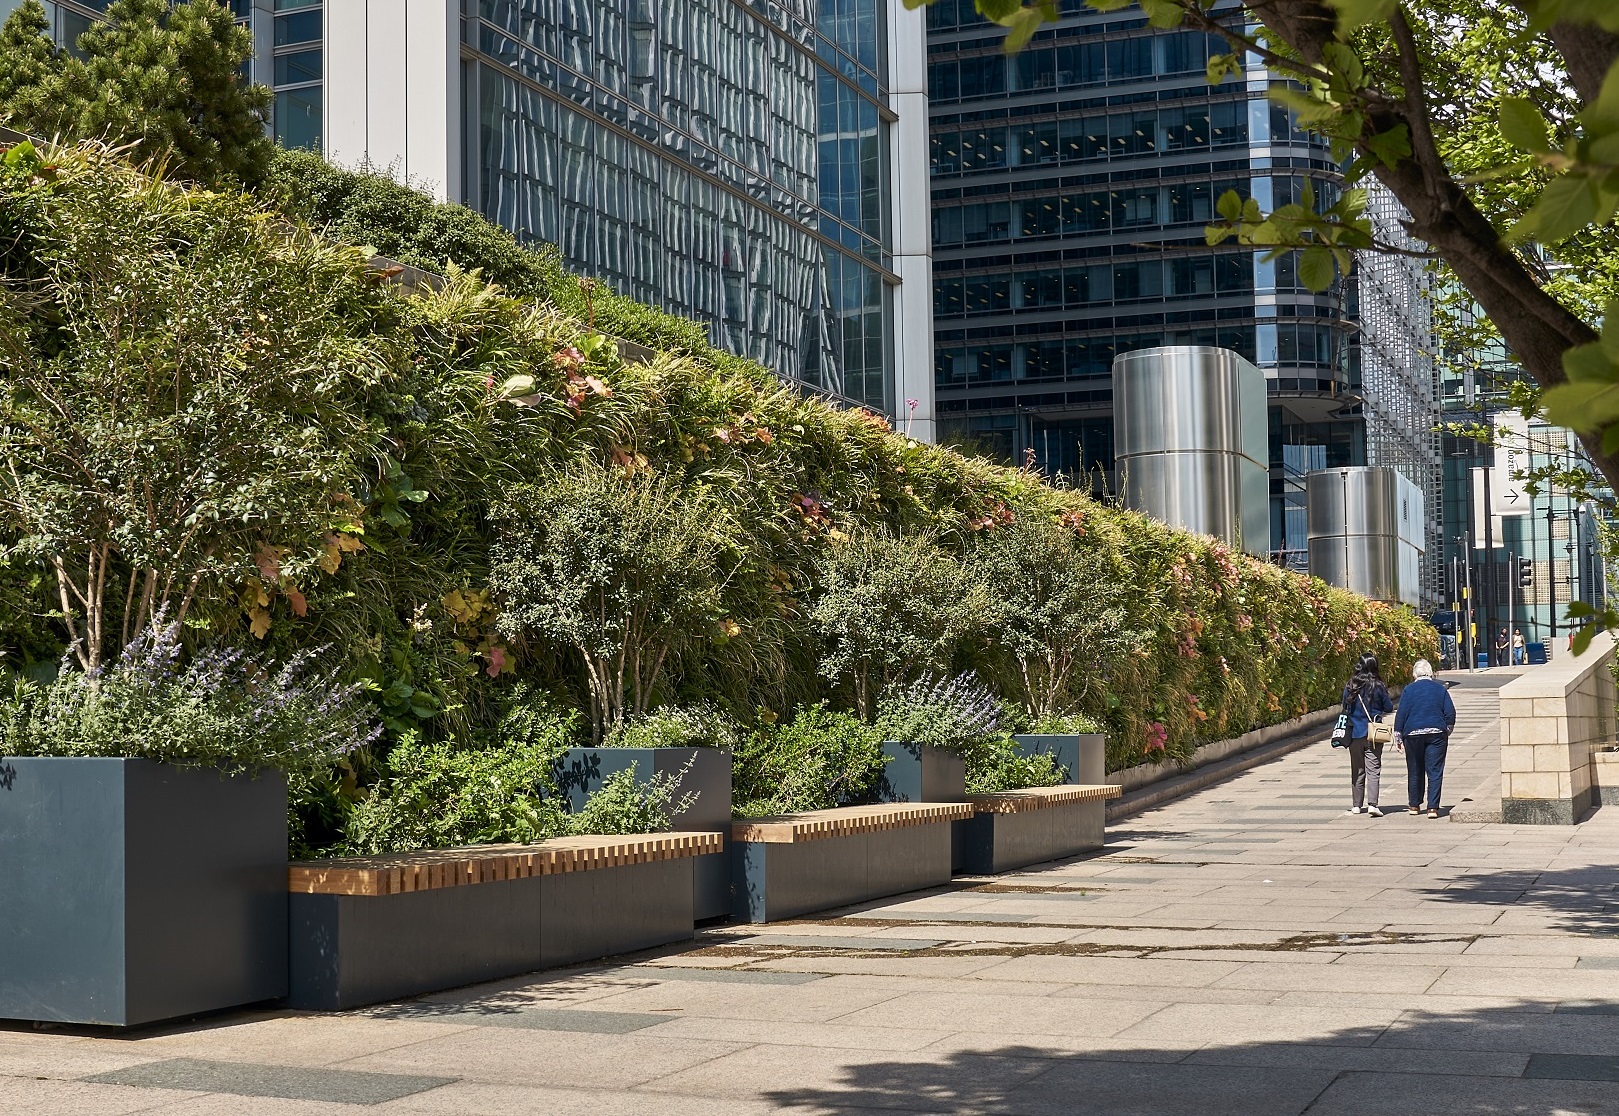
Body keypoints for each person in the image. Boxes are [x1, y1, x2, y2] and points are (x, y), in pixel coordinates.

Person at [1394, 658, 1457, 818]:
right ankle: (1432, 808)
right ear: (1430, 673)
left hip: (1413, 734)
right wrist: (1446, 729)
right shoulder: (1440, 689)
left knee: (1415, 768)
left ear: (1415, 674)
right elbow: (1450, 713)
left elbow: (1401, 714)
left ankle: (1414, 805)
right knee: (1435, 770)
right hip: (1436, 733)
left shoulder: (1409, 690)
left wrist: (1398, 736)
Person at [1341, 653, 1394, 817]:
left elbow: (1344, 706)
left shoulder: (1351, 685)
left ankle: (1356, 805)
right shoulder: (1378, 685)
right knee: (1373, 769)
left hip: (1354, 733)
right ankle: (1372, 804)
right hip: (1373, 734)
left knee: (1357, 769)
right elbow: (1389, 706)